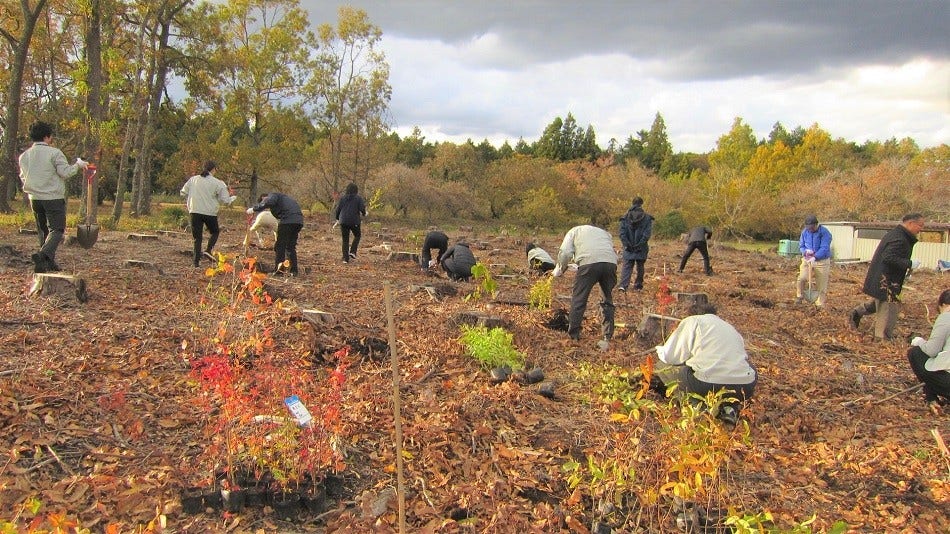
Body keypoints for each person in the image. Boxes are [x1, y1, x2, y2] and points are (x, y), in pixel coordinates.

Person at [653, 302, 757, 426]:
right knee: (745, 370)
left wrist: (659, 349)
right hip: (745, 385)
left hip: (707, 383)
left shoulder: (693, 321)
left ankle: (697, 409)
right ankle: (730, 408)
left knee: (662, 366)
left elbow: (670, 356)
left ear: (692, 314)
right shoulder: (729, 327)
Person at [18, 121, 88, 273]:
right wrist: (78, 165)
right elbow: (65, 173)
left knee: (43, 231)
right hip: (52, 197)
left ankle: (47, 263)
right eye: (50, 137)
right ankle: (43, 255)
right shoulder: (54, 153)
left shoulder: (24, 156)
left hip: (34, 198)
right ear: (47, 137)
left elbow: (23, 176)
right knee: (56, 229)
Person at [849, 213, 926, 340]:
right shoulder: (899, 238)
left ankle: (858, 312)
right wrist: (909, 264)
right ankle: (881, 340)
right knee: (888, 311)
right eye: (920, 225)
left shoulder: (897, 234)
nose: (921, 229)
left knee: (879, 303)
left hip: (883, 278)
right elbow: (889, 258)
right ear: (910, 223)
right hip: (887, 281)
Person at [552, 224, 617, 342]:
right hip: (610, 264)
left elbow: (565, 253)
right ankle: (607, 335)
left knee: (579, 299)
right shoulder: (603, 233)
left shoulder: (573, 231)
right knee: (607, 299)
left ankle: (573, 335)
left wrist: (560, 269)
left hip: (588, 263)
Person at [180, 161, 237, 268]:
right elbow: (225, 200)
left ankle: (195, 262)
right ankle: (208, 249)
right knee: (215, 232)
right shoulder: (218, 183)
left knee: (197, 238)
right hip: (209, 212)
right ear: (214, 169)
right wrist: (232, 198)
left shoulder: (194, 179)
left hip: (194, 210)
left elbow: (183, 192)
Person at [906, 289, 950, 414]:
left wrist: (919, 341)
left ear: (943, 305)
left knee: (915, 353)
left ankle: (931, 399)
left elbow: (931, 350)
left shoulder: (946, 317)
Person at [247, 192, 304, 276]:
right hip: (298, 221)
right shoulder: (283, 199)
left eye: (263, 201)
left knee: (279, 246)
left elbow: (269, 202)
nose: (264, 204)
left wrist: (254, 209)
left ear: (265, 197)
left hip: (288, 221)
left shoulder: (273, 196)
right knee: (290, 247)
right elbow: (277, 214)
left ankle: (279, 271)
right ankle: (294, 271)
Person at [795, 215, 833, 308]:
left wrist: (815, 257)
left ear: (816, 225)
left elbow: (824, 247)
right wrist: (805, 251)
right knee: (802, 278)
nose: (810, 230)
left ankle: (820, 304)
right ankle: (799, 296)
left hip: (822, 261)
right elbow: (801, 245)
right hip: (807, 259)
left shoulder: (824, 233)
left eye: (812, 228)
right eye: (808, 228)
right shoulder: (805, 232)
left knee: (821, 284)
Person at [618, 196, 653, 291]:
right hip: (641, 247)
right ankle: (638, 285)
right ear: (641, 204)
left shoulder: (625, 217)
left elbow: (622, 233)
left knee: (627, 265)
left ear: (632, 203)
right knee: (640, 266)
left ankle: (623, 285)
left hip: (628, 247)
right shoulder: (647, 218)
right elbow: (647, 234)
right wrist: (640, 244)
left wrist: (627, 244)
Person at [333, 183, 367, 263]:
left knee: (345, 240)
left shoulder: (343, 198)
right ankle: (352, 252)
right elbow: (362, 208)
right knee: (357, 235)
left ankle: (345, 258)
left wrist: (338, 218)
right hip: (354, 221)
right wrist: (364, 213)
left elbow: (338, 210)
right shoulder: (358, 198)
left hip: (343, 221)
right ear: (356, 190)